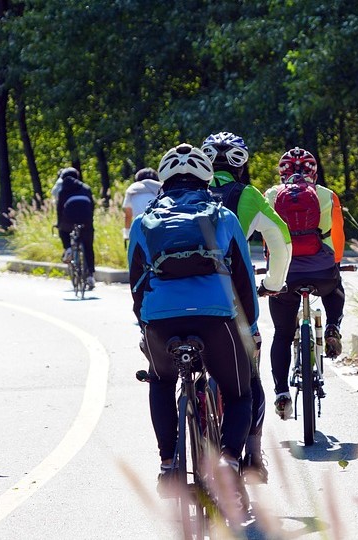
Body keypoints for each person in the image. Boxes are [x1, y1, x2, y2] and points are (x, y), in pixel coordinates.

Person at [128, 143, 256, 507]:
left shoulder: (144, 222)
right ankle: (230, 459)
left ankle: (168, 462)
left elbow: (135, 283)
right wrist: (250, 328)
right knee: (239, 393)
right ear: (205, 179)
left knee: (161, 380)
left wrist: (145, 325)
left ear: (163, 182)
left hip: (160, 323)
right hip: (216, 320)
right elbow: (244, 281)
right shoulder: (223, 217)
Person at [201, 131, 292, 483]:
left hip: (176, 305)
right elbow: (280, 241)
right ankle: (252, 454)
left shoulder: (182, 195)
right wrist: (272, 283)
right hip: (232, 304)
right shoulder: (247, 196)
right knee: (249, 380)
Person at [264, 147, 346, 420]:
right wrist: (333, 263)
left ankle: (281, 394)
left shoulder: (271, 196)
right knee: (335, 286)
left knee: (282, 335)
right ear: (314, 172)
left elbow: (267, 243)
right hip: (322, 273)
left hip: (285, 276)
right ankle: (333, 326)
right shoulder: (327, 196)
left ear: (281, 173)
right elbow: (338, 240)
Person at [55, 167, 96, 289]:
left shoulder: (62, 190)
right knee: (88, 246)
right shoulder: (86, 188)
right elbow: (92, 205)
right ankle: (90, 276)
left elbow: (60, 209)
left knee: (63, 230)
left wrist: (59, 224)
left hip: (69, 216)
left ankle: (68, 248)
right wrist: (90, 221)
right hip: (86, 216)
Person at [121, 167, 161, 242]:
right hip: (158, 228)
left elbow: (128, 214)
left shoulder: (132, 190)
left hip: (140, 228)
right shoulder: (161, 189)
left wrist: (126, 233)